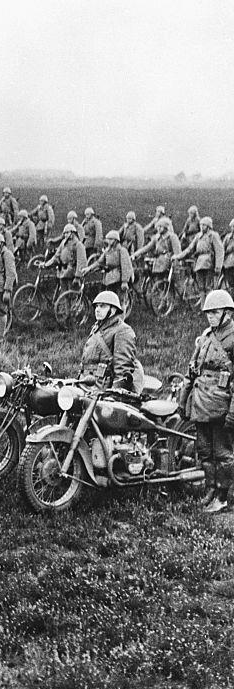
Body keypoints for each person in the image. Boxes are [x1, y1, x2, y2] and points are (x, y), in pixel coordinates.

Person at [183, 289, 234, 513]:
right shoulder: (205, 336)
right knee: (205, 451)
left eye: (215, 312)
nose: (211, 317)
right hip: (202, 402)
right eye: (208, 313)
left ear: (226, 313)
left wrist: (232, 413)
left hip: (221, 404)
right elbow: (192, 370)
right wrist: (183, 401)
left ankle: (222, 496)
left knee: (222, 453)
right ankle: (210, 490)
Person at [78, 291, 141, 392]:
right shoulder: (96, 328)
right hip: (85, 383)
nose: (97, 310)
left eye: (102, 306)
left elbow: (122, 370)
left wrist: (115, 395)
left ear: (113, 310)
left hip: (101, 389)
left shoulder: (122, 331)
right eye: (96, 306)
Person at [81, 230, 134, 307]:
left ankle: (121, 314)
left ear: (115, 240)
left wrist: (124, 281)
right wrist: (89, 268)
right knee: (109, 300)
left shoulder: (122, 251)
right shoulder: (107, 251)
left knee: (119, 301)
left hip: (118, 280)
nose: (107, 241)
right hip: (109, 279)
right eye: (107, 239)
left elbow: (126, 266)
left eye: (110, 239)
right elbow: (99, 262)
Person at [176, 215, 224, 296]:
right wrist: (179, 256)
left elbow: (219, 251)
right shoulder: (198, 236)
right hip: (199, 263)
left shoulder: (213, 235)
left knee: (208, 287)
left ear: (208, 226)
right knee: (200, 287)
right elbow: (190, 248)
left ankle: (209, 302)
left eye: (204, 225)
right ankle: (203, 303)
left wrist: (218, 266)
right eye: (201, 225)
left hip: (209, 263)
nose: (202, 227)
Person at [132, 218, 181, 286]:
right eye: (158, 226)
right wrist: (135, 254)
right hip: (159, 260)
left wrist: (176, 260)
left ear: (166, 227)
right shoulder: (156, 237)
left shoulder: (172, 237)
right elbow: (147, 247)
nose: (158, 228)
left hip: (170, 260)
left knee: (174, 282)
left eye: (161, 227)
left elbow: (177, 251)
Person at [42, 223, 88, 288]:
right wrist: (46, 264)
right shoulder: (63, 243)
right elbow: (56, 256)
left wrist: (77, 277)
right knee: (63, 290)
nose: (65, 235)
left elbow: (81, 262)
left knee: (72, 291)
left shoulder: (78, 245)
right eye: (64, 233)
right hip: (63, 273)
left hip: (72, 274)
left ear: (72, 233)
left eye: (67, 233)